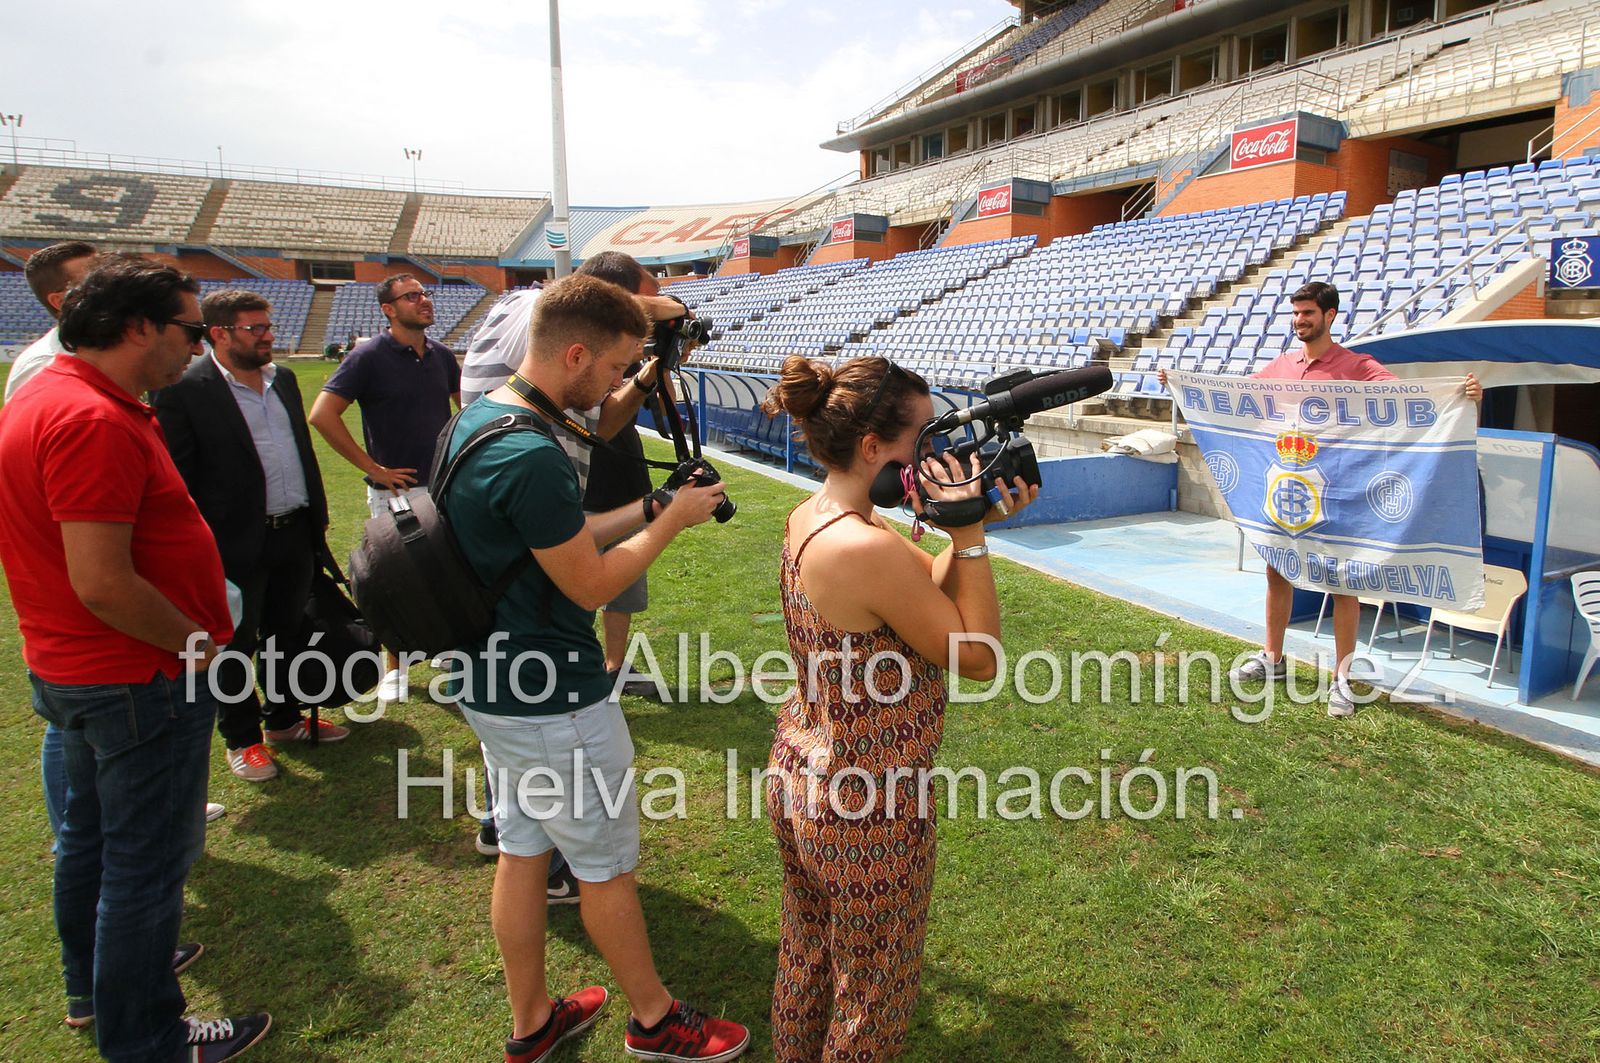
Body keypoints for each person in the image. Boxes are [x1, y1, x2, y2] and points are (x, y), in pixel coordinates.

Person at [445, 273, 749, 1063]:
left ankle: (532, 1018)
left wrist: (649, 505)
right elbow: (590, 579)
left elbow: (558, 535)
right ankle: (656, 1021)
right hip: (556, 698)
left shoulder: (480, 420)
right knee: (605, 868)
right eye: (616, 368)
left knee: (521, 848)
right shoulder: (531, 453)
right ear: (574, 352)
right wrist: (674, 520)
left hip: (492, 684)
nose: (621, 385)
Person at [0, 255, 271, 1061]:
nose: (197, 346)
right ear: (137, 326)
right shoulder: (89, 418)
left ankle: (94, 985)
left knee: (90, 841)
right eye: (189, 330)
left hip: (80, 668)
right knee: (143, 868)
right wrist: (198, 650)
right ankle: (150, 1037)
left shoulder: (50, 394)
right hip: (135, 675)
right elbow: (103, 581)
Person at [760, 355, 1036, 1063]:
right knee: (872, 992)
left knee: (810, 951)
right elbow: (976, 654)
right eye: (924, 435)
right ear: (874, 446)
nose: (937, 451)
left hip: (807, 770)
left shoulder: (825, 517)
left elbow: (927, 597)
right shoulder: (862, 544)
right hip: (867, 800)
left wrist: (970, 527)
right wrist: (970, 536)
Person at [1159, 280, 1482, 716]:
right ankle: (1272, 658)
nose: (1300, 321)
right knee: (1277, 570)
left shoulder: (1357, 365)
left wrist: (1462, 395)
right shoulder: (1283, 365)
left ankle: (1343, 679)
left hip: (1340, 496)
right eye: (1296, 314)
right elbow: (1237, 399)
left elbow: (1410, 399)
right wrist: (1183, 383)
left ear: (1329, 316)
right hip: (1287, 491)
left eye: (1308, 313)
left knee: (1344, 584)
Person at [153, 289, 348, 783]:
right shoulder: (184, 389)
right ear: (219, 333)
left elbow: (300, 452)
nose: (267, 337)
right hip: (232, 543)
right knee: (235, 644)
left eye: (268, 326)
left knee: (286, 634)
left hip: (294, 530)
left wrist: (314, 521)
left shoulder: (281, 379)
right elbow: (180, 477)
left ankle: (283, 720)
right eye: (254, 329)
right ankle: (243, 739)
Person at [308, 273, 461, 706]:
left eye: (425, 294)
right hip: (394, 491)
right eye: (411, 296)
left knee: (444, 570)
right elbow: (322, 414)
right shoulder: (368, 357)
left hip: (442, 484)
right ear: (388, 309)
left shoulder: (442, 356)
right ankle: (396, 666)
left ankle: (446, 649)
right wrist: (373, 467)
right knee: (396, 578)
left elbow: (464, 410)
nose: (423, 300)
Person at [4, 240, 98, 402]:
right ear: (60, 301)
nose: (115, 286)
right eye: (95, 283)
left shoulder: (102, 349)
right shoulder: (44, 365)